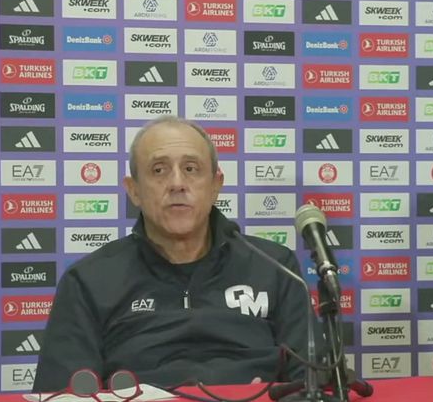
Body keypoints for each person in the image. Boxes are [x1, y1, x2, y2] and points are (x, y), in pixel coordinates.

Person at [33, 116, 310, 392]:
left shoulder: (275, 267)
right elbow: (60, 394)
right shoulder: (89, 281)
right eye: (159, 170)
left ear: (215, 185)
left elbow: (313, 382)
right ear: (134, 190)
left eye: (191, 168)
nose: (177, 183)